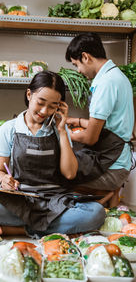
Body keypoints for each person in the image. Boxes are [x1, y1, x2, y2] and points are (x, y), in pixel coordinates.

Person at [0, 71, 105, 238]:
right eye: (40, 102)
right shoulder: (9, 129)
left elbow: (69, 173)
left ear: (60, 106)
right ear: (29, 95)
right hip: (22, 199)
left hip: (56, 200)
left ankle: (23, 230)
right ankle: (56, 228)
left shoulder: (60, 129)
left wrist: (62, 131)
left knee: (95, 213)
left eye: (53, 106)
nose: (44, 111)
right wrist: (3, 180)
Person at [65, 32, 134, 206]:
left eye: (76, 65)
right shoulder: (117, 76)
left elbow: (90, 138)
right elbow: (112, 125)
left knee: (61, 174)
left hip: (112, 168)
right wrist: (79, 122)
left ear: (85, 57)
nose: (78, 71)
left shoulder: (106, 84)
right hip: (119, 161)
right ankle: (107, 196)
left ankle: (107, 195)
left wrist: (62, 134)